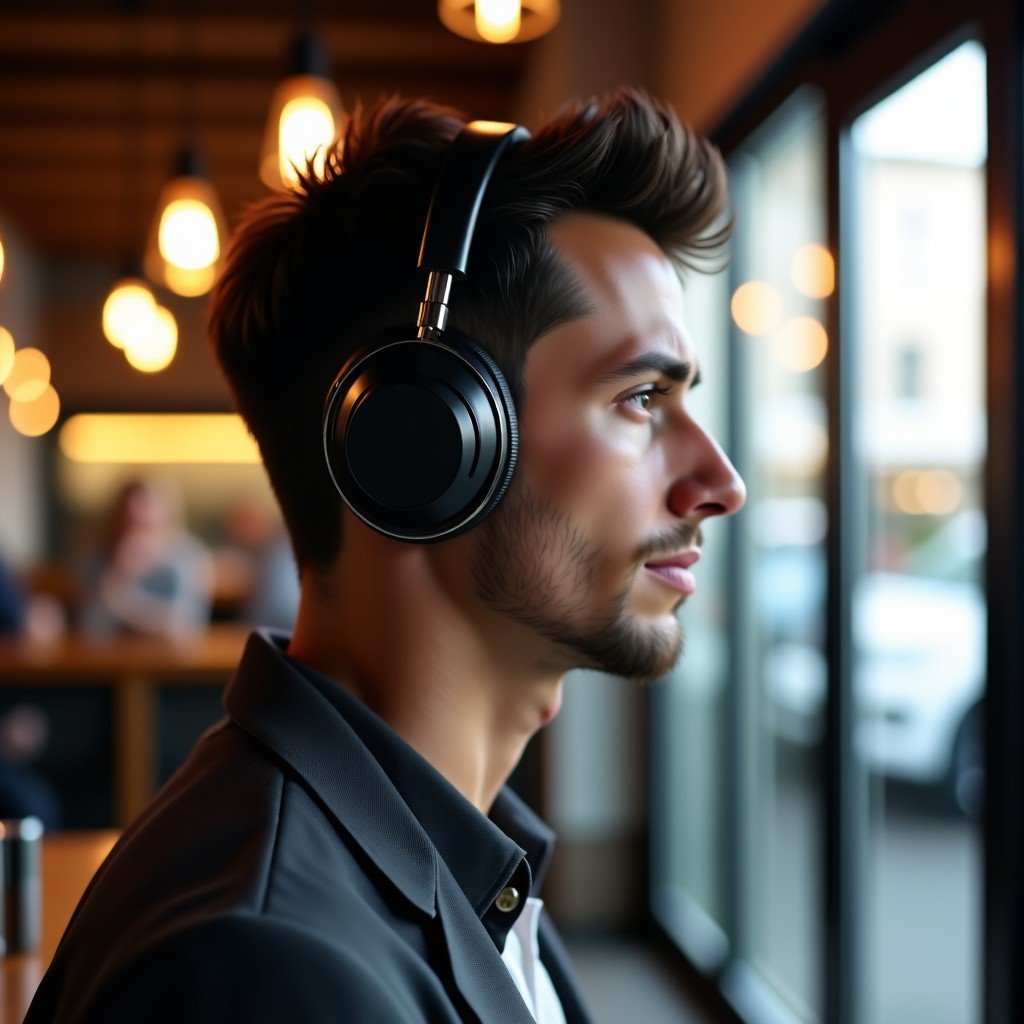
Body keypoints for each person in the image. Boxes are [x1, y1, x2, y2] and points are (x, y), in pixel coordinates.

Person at [26, 89, 745, 1023]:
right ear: (426, 446)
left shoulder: (460, 855)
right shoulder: (270, 973)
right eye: (641, 398)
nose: (720, 482)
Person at [78, 477, 213, 639]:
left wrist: (121, 602)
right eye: (130, 523)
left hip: (169, 655)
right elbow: (91, 628)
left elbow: (183, 626)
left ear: (166, 519)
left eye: (146, 525)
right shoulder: (100, 558)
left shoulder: (188, 557)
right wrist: (121, 573)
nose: (137, 536)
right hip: (114, 654)